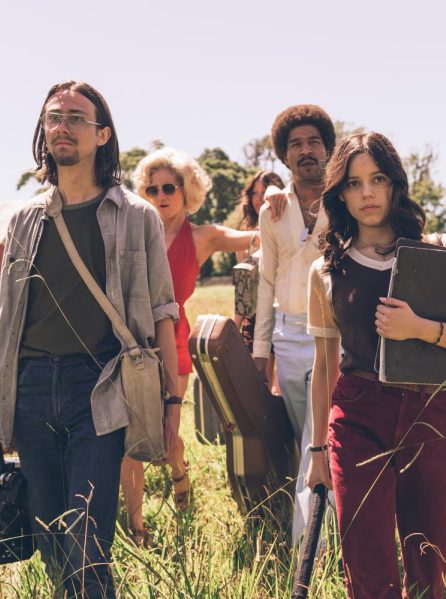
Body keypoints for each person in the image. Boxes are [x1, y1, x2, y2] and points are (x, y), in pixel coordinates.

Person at [0, 80, 181, 598]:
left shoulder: (136, 217)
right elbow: (8, 323)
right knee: (48, 537)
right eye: (53, 117)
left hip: (101, 385)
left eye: (75, 117)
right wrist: (1, 411)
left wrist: (171, 399)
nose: (62, 126)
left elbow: (163, 310)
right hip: (32, 387)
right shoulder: (24, 220)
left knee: (87, 536)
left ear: (102, 135)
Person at [305, 132, 446, 599]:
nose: (367, 194)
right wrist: (316, 454)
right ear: (339, 193)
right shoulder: (325, 270)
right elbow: (325, 368)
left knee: (427, 573)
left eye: (377, 179)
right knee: (368, 575)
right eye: (353, 184)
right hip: (357, 418)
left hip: (429, 413)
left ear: (395, 185)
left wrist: (419, 328)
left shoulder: (439, 253)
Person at [123, 147, 257, 543]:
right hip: (130, 342)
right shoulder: (132, 235)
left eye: (169, 187)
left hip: (174, 343)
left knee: (165, 440)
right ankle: (137, 527)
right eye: (151, 189)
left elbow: (260, 238)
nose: (160, 195)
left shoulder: (202, 237)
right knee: (130, 440)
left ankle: (179, 472)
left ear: (186, 192)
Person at [253, 104, 337, 542]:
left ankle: (310, 552)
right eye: (296, 145)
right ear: (284, 156)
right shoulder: (274, 209)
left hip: (334, 338)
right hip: (286, 339)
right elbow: (265, 282)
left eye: (313, 143)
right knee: (308, 442)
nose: (306, 152)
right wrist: (261, 355)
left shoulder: (346, 201)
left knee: (319, 443)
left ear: (328, 149)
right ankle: (325, 536)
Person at [234, 171, 285, 391]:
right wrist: (233, 324)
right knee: (256, 380)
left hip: (281, 308)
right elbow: (242, 286)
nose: (258, 198)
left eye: (264, 192)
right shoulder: (243, 236)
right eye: (254, 192)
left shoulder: (284, 228)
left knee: (281, 383)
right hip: (253, 314)